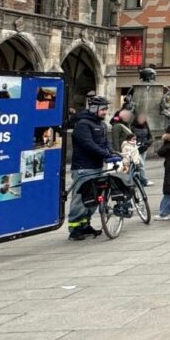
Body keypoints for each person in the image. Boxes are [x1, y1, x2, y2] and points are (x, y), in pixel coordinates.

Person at [67, 95, 117, 240]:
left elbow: (105, 143)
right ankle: (75, 227)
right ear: (94, 109)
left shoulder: (101, 125)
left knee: (93, 198)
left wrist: (113, 152)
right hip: (83, 167)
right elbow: (88, 145)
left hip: (96, 166)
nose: (105, 112)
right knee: (81, 197)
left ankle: (85, 224)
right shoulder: (83, 124)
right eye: (103, 109)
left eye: (106, 109)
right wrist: (106, 156)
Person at [131, 112, 153, 186]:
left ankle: (139, 179)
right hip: (135, 148)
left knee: (140, 164)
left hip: (144, 148)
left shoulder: (146, 127)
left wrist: (148, 143)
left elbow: (150, 136)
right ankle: (143, 180)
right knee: (141, 164)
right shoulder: (132, 128)